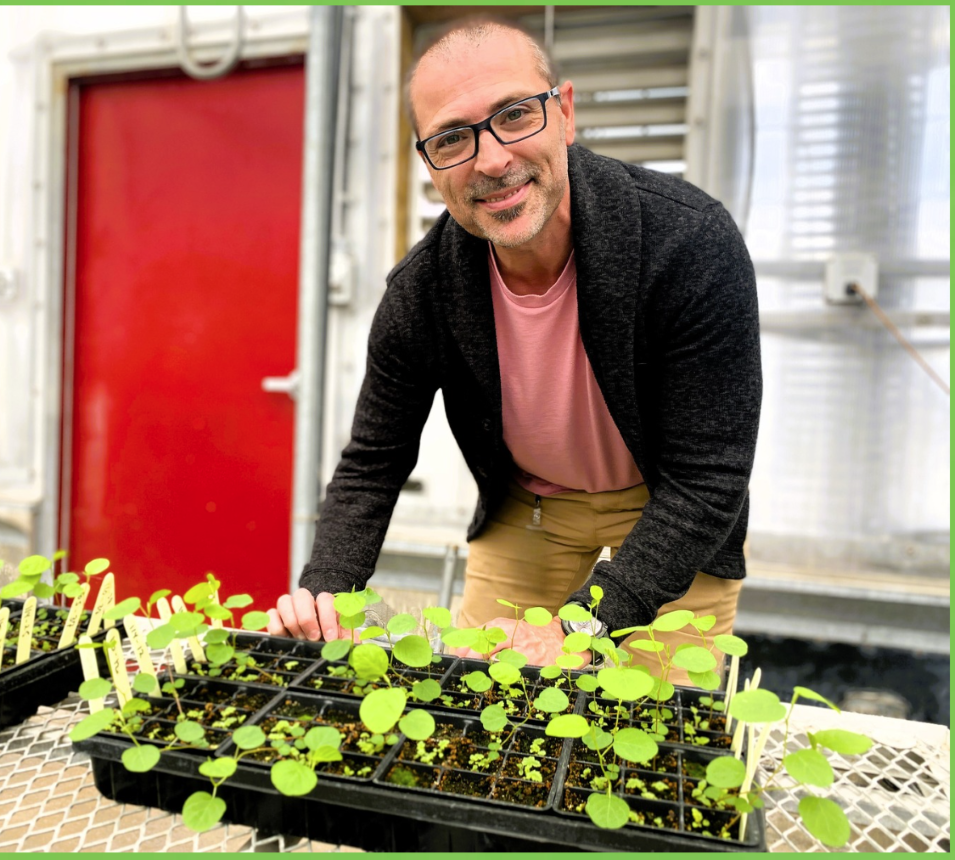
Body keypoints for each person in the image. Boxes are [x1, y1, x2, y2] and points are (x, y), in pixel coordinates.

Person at [267, 17, 761, 684]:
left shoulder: (686, 243)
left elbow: (710, 478)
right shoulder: (423, 292)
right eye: (451, 138)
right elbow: (374, 461)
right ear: (429, 165)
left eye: (515, 115)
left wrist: (584, 625)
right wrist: (326, 591)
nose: (492, 159)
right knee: (479, 707)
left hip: (669, 507)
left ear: (566, 113)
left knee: (661, 732)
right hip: (528, 508)